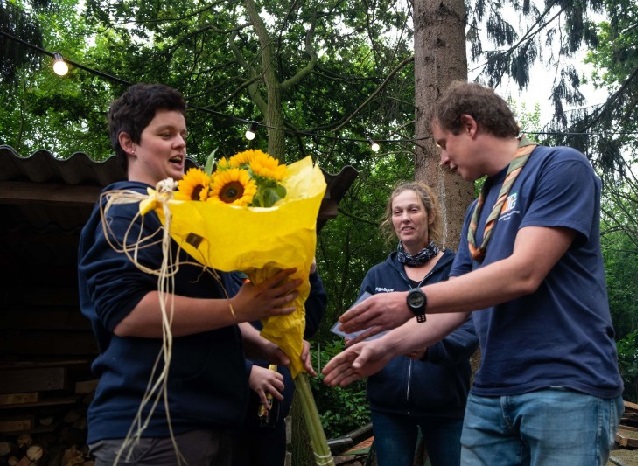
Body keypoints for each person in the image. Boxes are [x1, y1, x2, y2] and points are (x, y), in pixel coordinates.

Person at [322, 80, 624, 466]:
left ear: (469, 125)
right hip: (490, 393)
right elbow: (456, 306)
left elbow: (524, 273)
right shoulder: (476, 212)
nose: (444, 160)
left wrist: (412, 300)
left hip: (565, 385)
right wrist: (383, 347)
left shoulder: (559, 166)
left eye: (444, 143)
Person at [78, 82, 303, 466]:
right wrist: (238, 308)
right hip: (153, 430)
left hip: (201, 425)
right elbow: (127, 314)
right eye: (165, 134)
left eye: (182, 133)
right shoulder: (125, 210)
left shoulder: (182, 214)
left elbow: (207, 306)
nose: (180, 143)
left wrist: (260, 343)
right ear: (129, 143)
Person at [351, 181, 478, 466]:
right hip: (389, 407)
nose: (405, 217)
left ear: (429, 216)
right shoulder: (377, 276)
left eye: (412, 209)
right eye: (398, 212)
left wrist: (427, 347)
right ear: (391, 220)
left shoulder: (455, 269)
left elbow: (470, 331)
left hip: (446, 405)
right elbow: (358, 330)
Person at [240, 260, 327, 466]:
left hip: (273, 420)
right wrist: (247, 370)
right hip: (232, 419)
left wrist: (312, 275)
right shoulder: (229, 271)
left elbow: (309, 325)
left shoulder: (283, 271)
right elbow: (215, 331)